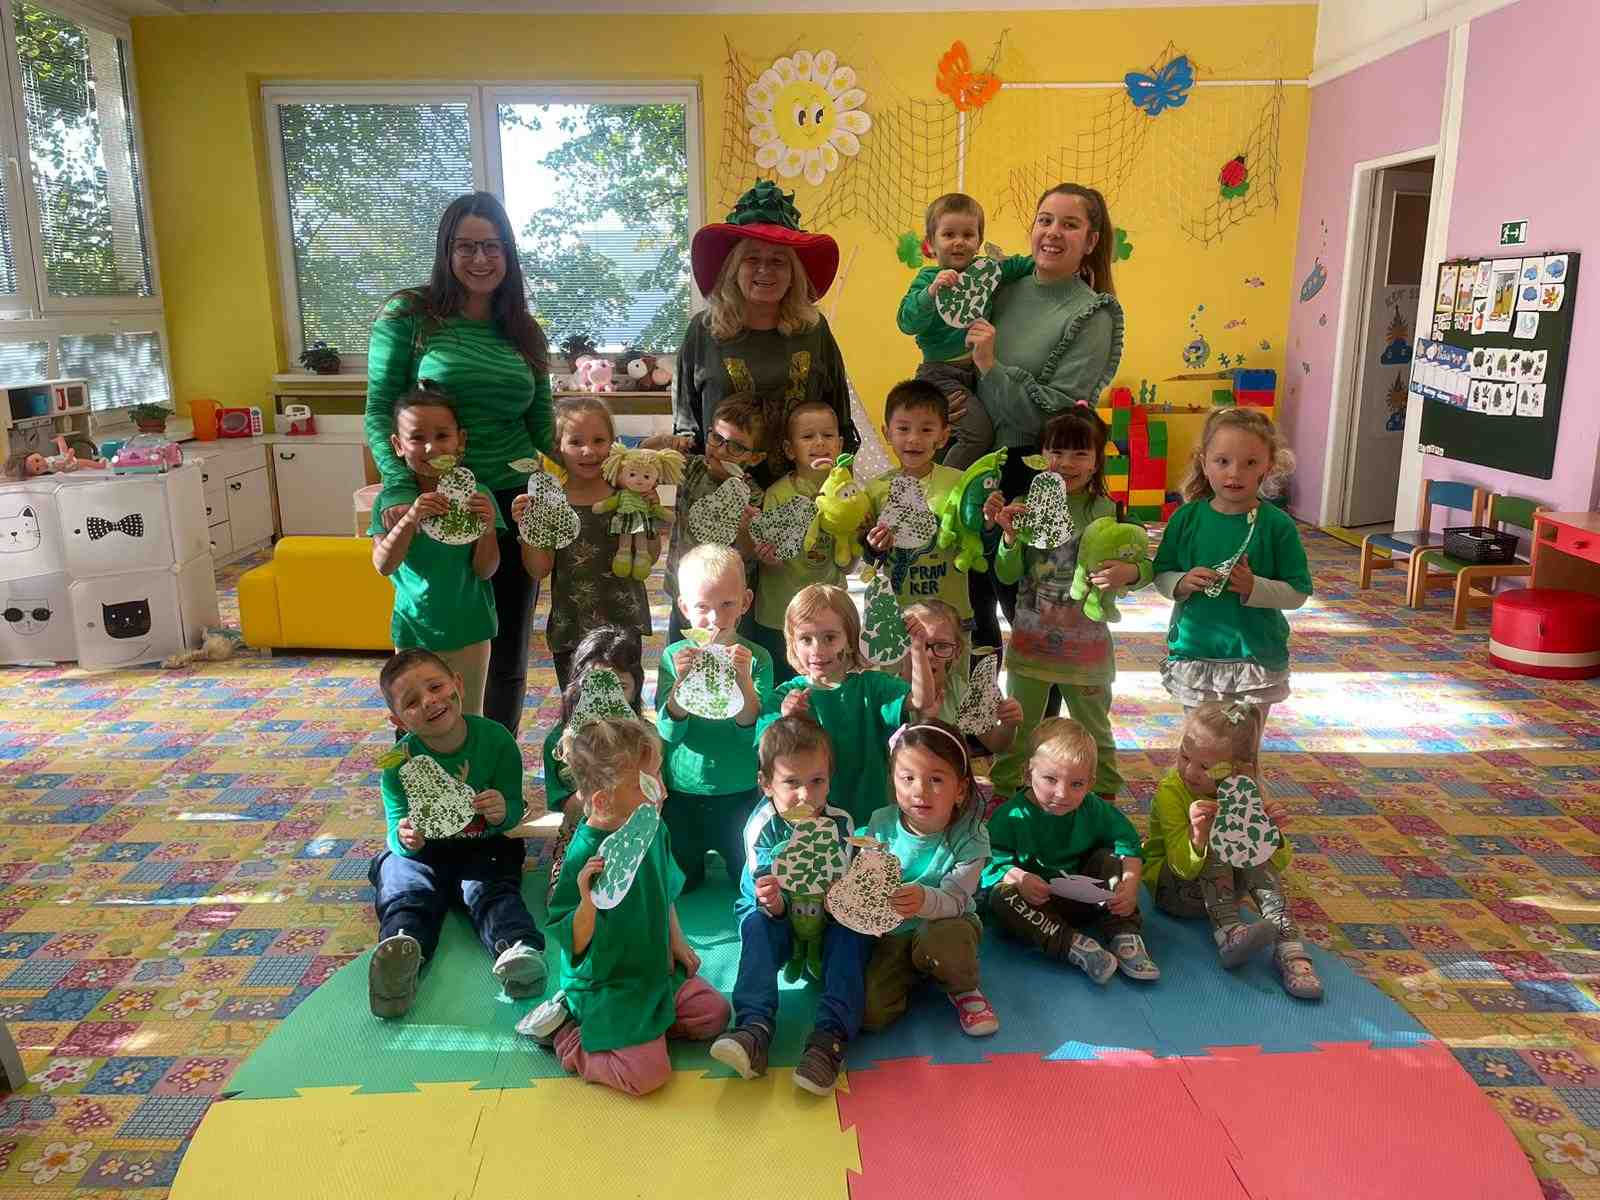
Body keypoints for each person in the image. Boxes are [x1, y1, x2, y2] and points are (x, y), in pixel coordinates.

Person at [365, 192, 553, 736]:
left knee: (505, 648)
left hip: (511, 502)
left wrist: (599, 464)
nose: (480, 258)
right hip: (433, 503)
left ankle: (495, 765)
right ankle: (427, 770)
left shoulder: (523, 329)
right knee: (427, 654)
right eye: (466, 246)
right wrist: (400, 486)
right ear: (446, 251)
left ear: (508, 253)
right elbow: (379, 409)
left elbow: (543, 423)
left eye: (492, 246)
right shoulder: (409, 316)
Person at [521, 717, 732, 1096]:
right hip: (608, 983)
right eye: (646, 784)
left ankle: (645, 1029)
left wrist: (677, 941)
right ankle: (568, 1035)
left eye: (659, 776)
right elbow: (575, 941)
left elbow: (664, 888)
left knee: (715, 1015)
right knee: (647, 1076)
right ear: (603, 800)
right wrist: (588, 900)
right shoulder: (584, 854)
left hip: (654, 969)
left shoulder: (652, 827)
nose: (662, 790)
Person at [965, 183, 1125, 657]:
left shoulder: (1093, 315)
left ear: (1090, 241)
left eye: (1069, 224)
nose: (1053, 232)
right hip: (974, 464)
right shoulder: (1002, 289)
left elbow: (1055, 416)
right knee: (972, 614)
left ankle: (1040, 704)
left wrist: (991, 368)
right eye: (1045, 220)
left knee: (1033, 617)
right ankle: (978, 705)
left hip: (1034, 473)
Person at [366, 650, 544, 1019]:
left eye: (435, 687)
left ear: (458, 685)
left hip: (484, 846)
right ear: (398, 720)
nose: (429, 701)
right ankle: (402, 948)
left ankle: (518, 950)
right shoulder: (396, 764)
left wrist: (502, 810)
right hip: (426, 854)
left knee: (494, 893)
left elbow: (514, 806)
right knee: (399, 879)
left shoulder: (496, 740)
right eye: (411, 702)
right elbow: (394, 827)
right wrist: (404, 838)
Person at [984, 408, 1152, 800]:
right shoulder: (1025, 505)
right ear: (1041, 456)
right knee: (1020, 727)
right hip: (1032, 643)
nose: (1067, 463)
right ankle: (1005, 793)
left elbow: (1145, 563)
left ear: (1096, 461)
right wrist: (1009, 538)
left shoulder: (1112, 511)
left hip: (1087, 649)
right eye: (1057, 452)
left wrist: (1129, 573)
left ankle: (1104, 796)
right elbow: (1007, 574)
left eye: (1080, 453)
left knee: (1094, 731)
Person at [711, 716, 871, 1095]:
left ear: (829, 779)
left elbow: (843, 890)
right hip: (778, 917)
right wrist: (774, 903)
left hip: (825, 917)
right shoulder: (761, 827)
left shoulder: (841, 824)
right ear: (766, 784)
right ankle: (753, 1028)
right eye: (791, 783)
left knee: (855, 931)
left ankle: (830, 1039)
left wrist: (841, 900)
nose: (806, 795)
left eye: (817, 781)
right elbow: (766, 893)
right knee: (756, 926)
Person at [1152, 408, 1309, 755]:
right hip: (1196, 654)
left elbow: (1298, 592)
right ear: (1204, 463)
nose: (1235, 473)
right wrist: (1182, 581)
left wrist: (1255, 587)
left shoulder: (1277, 525)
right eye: (1222, 461)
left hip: (1255, 657)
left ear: (1268, 466)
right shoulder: (1186, 518)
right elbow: (1160, 575)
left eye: (1250, 463)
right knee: (1198, 751)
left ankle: (1243, 793)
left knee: (1243, 754)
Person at [676, 180, 855, 481]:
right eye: (752, 259)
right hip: (720, 489)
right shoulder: (703, 330)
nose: (765, 269)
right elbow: (686, 425)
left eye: (778, 261)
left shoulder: (814, 330)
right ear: (734, 269)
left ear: (793, 274)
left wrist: (841, 483)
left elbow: (840, 418)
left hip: (803, 490)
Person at [1143, 702, 1322, 1000]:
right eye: (1184, 756)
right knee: (1221, 836)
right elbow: (1180, 867)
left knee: (1247, 841)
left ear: (1237, 768)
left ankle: (1289, 946)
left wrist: (1272, 835)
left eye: (1205, 767)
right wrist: (1198, 836)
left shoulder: (1244, 790)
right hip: (1174, 892)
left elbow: (1276, 863)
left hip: (1226, 893)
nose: (1190, 771)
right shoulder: (1170, 792)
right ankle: (1228, 933)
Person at [983, 718, 1159, 985]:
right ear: (1028, 773)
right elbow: (989, 861)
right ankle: (1073, 945)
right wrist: (1020, 878)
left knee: (1110, 859)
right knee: (1001, 896)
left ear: (1090, 783)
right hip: (1037, 908)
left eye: (1076, 784)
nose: (1062, 794)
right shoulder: (1010, 817)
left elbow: (1128, 842)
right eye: (1050, 779)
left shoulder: (1093, 807)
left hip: (1087, 901)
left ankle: (1123, 933)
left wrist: (1130, 885)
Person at [370, 387, 502, 716]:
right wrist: (410, 519)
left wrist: (487, 528)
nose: (431, 447)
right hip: (413, 630)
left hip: (470, 629)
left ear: (460, 441)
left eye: (442, 435)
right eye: (417, 438)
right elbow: (383, 565)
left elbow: (486, 570)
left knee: (468, 715)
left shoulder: (479, 496)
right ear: (398, 445)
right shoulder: (391, 503)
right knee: (417, 717)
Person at [755, 585, 935, 826]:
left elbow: (922, 700)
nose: (817, 649)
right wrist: (786, 721)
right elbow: (765, 754)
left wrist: (918, 649)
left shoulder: (872, 686)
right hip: (808, 821)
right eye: (806, 639)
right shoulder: (784, 696)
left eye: (830, 638)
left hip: (867, 818)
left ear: (850, 640)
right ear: (793, 644)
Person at [861, 720, 997, 1037]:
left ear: (960, 789)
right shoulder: (880, 823)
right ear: (893, 780)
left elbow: (956, 900)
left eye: (935, 779)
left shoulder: (971, 835)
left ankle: (963, 988)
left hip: (947, 925)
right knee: (870, 1015)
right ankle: (919, 968)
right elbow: (869, 879)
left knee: (945, 940)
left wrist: (924, 899)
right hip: (894, 933)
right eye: (907, 778)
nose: (919, 791)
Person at [512, 397, 650, 693]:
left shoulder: (627, 497)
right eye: (576, 442)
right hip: (572, 629)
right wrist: (528, 526)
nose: (589, 451)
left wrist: (647, 514)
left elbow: (648, 558)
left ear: (614, 443)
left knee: (625, 708)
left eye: (599, 440)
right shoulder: (550, 503)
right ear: (557, 447)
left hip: (623, 626)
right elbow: (538, 569)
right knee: (577, 709)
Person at [656, 545, 772, 891]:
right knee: (683, 885)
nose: (715, 618)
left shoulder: (757, 658)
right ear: (684, 608)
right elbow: (668, 731)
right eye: (702, 607)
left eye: (727, 604)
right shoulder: (673, 657)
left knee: (745, 881)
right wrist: (681, 684)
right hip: (683, 788)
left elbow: (752, 733)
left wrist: (744, 681)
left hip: (740, 788)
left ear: (745, 602)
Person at [895, 194, 1033, 469]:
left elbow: (1019, 265)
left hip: (976, 373)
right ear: (931, 243)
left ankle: (935, 482)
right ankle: (946, 487)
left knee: (952, 438)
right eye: (948, 234)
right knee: (977, 434)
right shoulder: (927, 279)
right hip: (939, 376)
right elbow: (907, 322)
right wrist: (930, 292)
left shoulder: (986, 272)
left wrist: (1056, 267)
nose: (959, 241)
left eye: (968, 234)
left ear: (979, 241)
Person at [864, 380, 977, 680]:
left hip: (951, 618)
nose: (914, 439)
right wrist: (874, 546)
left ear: (943, 436)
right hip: (897, 618)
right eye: (903, 428)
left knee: (953, 693)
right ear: (887, 433)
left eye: (926, 430)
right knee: (897, 694)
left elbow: (979, 539)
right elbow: (869, 558)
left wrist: (990, 517)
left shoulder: (960, 483)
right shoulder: (876, 489)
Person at [749, 399, 857, 682]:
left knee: (828, 685)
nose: (819, 442)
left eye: (828, 435)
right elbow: (768, 557)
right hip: (779, 615)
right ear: (789, 449)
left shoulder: (849, 495)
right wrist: (768, 558)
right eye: (808, 436)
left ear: (840, 444)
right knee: (782, 687)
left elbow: (848, 563)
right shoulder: (777, 494)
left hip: (829, 617)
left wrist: (859, 541)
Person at [663, 393, 768, 647]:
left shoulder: (753, 495)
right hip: (685, 592)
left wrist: (744, 530)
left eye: (736, 447)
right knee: (679, 654)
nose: (721, 451)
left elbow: (749, 553)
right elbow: (642, 461)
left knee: (728, 659)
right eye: (716, 438)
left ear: (755, 457)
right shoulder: (691, 469)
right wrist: (663, 442)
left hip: (728, 604)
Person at [540, 626, 646, 816]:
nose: (609, 698)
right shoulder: (559, 743)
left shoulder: (647, 738)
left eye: (621, 687)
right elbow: (570, 811)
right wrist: (596, 778)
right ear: (579, 688)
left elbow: (659, 798)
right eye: (597, 686)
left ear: (635, 690)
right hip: (585, 828)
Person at [896, 600, 1021, 758]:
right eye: (917, 644)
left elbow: (995, 744)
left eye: (942, 646)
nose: (928, 655)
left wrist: (1008, 725)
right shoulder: (889, 695)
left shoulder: (958, 690)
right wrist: (927, 720)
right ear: (900, 648)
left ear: (957, 653)